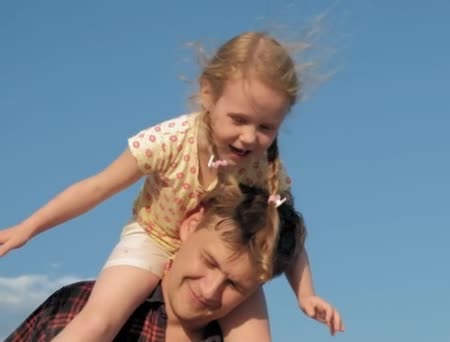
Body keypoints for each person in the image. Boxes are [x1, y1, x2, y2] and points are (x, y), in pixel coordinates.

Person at [0, 31, 340, 341]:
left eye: (267, 127)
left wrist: (305, 293)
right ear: (208, 93)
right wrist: (28, 228)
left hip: (224, 261)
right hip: (153, 237)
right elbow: (97, 187)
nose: (249, 137)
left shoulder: (264, 168)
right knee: (99, 321)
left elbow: (281, 238)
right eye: (238, 119)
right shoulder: (170, 140)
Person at [6, 184, 343, 341]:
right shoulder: (77, 308)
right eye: (209, 261)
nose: (210, 290)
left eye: (235, 284)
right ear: (189, 225)